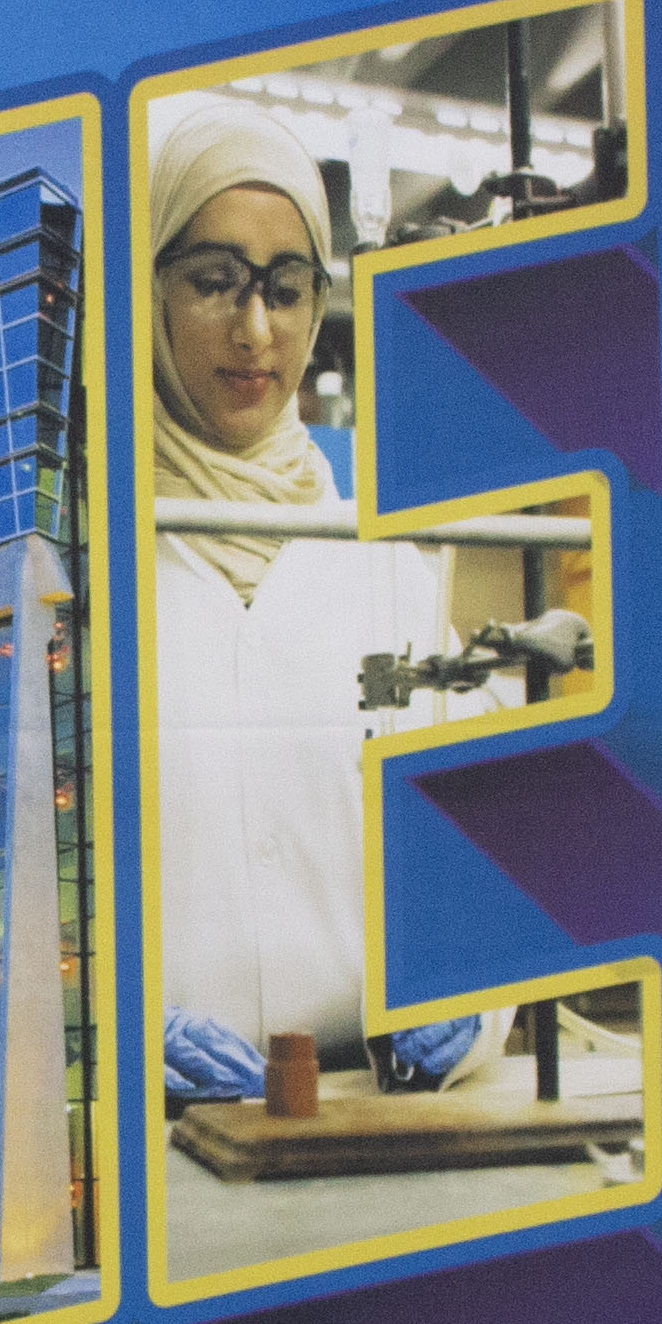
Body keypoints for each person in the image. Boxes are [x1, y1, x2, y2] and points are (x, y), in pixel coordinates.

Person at [145, 95, 487, 1103]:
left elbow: (469, 854)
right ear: (147, 294)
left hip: (374, 1128)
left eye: (287, 289)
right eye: (215, 283)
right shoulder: (80, 576)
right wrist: (107, 1032)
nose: (256, 330)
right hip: (158, 1150)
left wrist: (475, 997)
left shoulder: (387, 568)